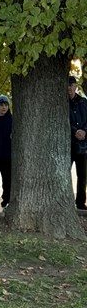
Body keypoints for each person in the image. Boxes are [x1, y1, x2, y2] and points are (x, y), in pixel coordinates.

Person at [68, 76, 87, 210]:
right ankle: (66, 201)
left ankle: (80, 203)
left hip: (83, 144)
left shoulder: (84, 102)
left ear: (76, 86)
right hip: (68, 143)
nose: (69, 88)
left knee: (82, 174)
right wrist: (74, 131)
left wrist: (84, 131)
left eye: (72, 85)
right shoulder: (61, 103)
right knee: (64, 173)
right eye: (67, 85)